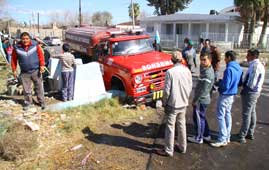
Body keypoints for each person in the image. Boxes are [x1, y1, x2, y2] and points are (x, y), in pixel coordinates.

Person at [156, 50, 192, 156]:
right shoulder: (187, 71)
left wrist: (164, 102)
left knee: (170, 127)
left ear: (172, 60)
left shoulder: (170, 72)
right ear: (181, 60)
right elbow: (190, 86)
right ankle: (182, 147)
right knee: (182, 125)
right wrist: (186, 97)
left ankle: (168, 150)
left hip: (173, 104)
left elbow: (166, 91)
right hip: (183, 103)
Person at [211, 51, 242, 147]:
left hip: (225, 95)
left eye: (225, 57)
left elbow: (225, 85)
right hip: (232, 95)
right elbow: (240, 83)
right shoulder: (239, 68)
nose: (224, 59)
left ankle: (222, 139)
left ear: (229, 57)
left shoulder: (229, 69)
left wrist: (219, 84)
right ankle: (227, 136)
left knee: (220, 116)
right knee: (227, 114)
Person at [11, 32, 46, 111]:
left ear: (29, 39)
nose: (25, 40)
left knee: (39, 88)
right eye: (23, 39)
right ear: (21, 39)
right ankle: (28, 103)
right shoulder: (17, 48)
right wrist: (14, 70)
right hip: (24, 72)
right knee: (26, 89)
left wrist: (42, 65)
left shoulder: (35, 45)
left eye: (27, 39)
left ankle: (42, 102)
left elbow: (41, 56)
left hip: (36, 70)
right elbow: (13, 59)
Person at [237, 48, 265, 144]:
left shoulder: (255, 66)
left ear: (253, 56)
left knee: (246, 114)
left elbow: (251, 83)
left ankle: (242, 135)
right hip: (255, 92)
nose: (246, 57)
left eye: (248, 55)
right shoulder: (257, 65)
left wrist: (244, 90)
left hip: (251, 93)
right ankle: (250, 132)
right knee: (252, 112)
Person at [187, 51, 215, 144]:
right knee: (202, 117)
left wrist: (195, 100)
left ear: (210, 60)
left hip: (201, 100)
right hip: (203, 99)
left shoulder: (208, 73)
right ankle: (206, 135)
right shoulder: (206, 69)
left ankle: (199, 138)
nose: (202, 62)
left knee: (198, 119)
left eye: (204, 60)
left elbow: (203, 91)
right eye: (201, 60)